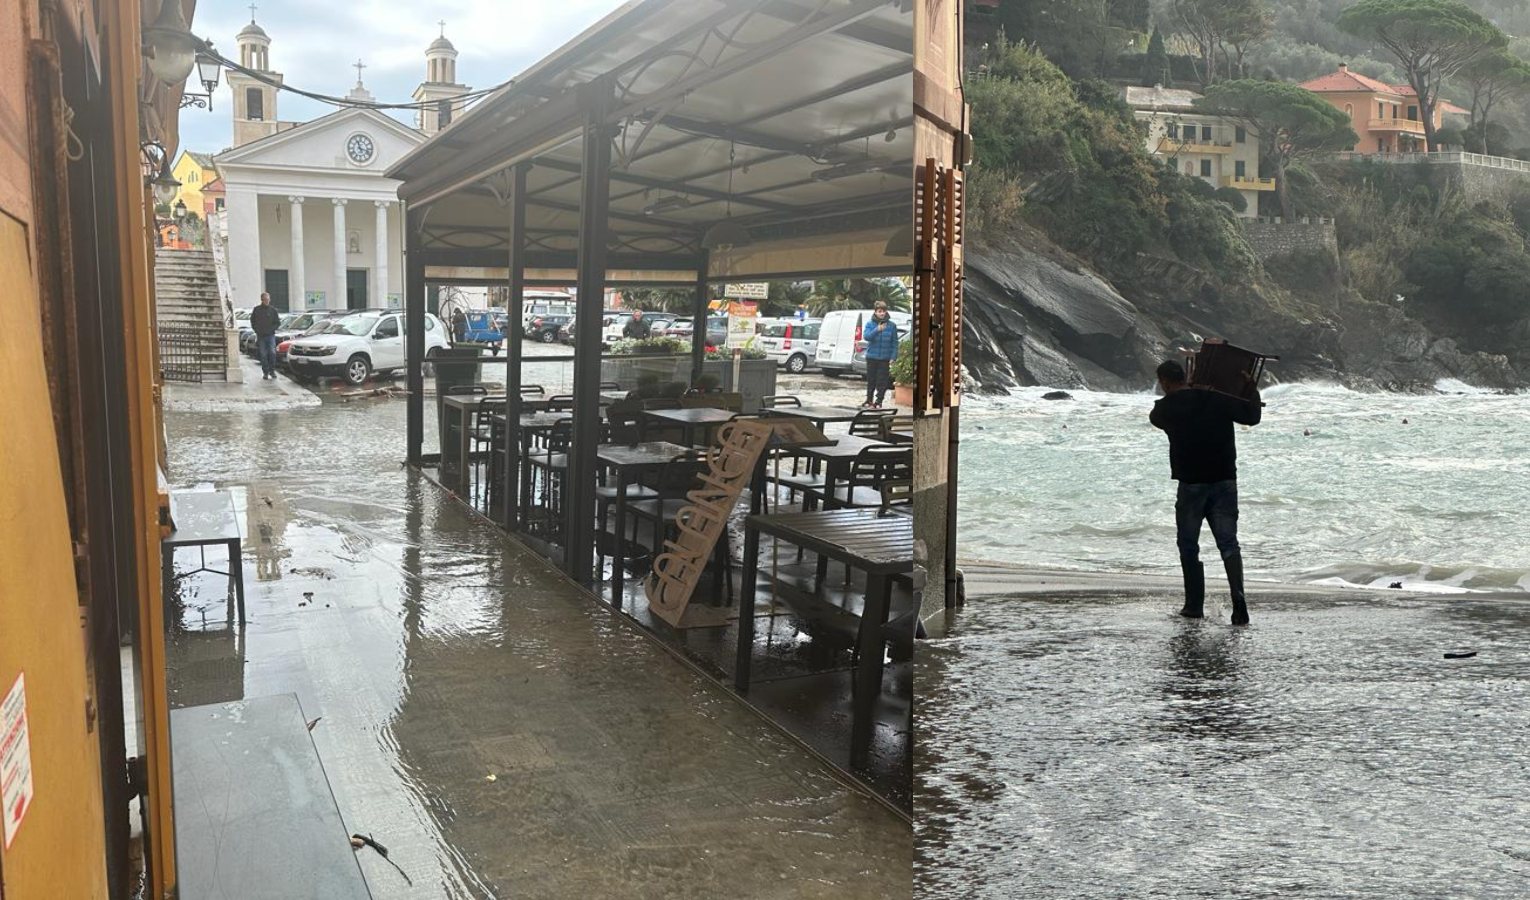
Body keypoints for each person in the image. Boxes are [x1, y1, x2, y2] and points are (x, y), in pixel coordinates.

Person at [1149, 359, 1262, 625]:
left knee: (1189, 546)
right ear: (1186, 375)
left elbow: (1159, 417)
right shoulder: (1217, 399)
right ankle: (1239, 604)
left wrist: (1194, 391)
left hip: (1191, 485)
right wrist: (1250, 387)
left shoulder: (1163, 410)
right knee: (1229, 544)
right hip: (1225, 481)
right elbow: (1252, 417)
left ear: (1164, 381)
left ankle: (1193, 606)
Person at [862, 302, 899, 408]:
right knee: (871, 380)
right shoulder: (870, 324)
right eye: (879, 311)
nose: (882, 313)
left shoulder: (892, 326)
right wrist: (877, 330)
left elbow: (894, 342)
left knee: (882, 381)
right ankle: (869, 400)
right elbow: (866, 336)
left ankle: (879, 401)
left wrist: (893, 356)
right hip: (872, 357)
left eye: (883, 311)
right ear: (875, 312)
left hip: (884, 358)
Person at [249, 292, 281, 380]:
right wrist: (256, 330)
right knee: (263, 355)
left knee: (272, 353)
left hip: (270, 335)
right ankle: (265, 372)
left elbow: (277, 323)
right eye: (265, 300)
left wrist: (272, 329)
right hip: (261, 336)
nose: (267, 301)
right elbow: (252, 321)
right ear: (262, 300)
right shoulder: (257, 310)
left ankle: (272, 371)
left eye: (268, 300)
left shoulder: (273, 310)